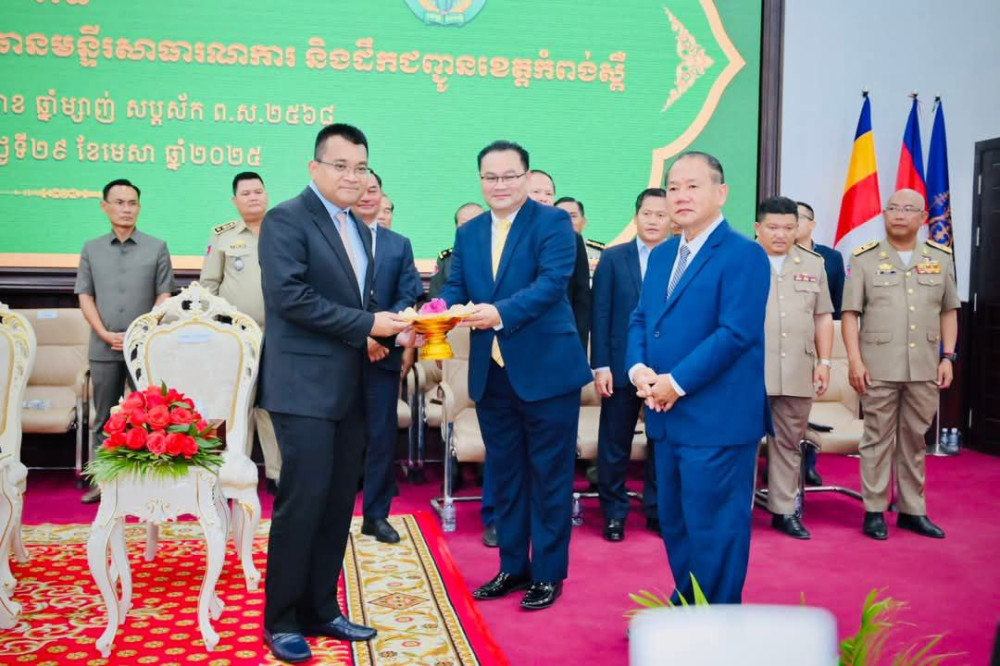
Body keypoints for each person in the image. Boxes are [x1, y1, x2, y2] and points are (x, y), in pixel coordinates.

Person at [257, 123, 414, 663]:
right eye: (341, 165)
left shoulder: (358, 228)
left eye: (361, 167)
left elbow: (358, 304)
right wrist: (369, 324)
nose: (353, 176)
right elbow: (290, 297)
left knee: (336, 504)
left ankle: (321, 608)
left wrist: (392, 330)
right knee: (302, 503)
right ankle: (280, 620)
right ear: (314, 168)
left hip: (352, 386)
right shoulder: (286, 219)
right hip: (303, 389)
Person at [439, 140, 592, 610]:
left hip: (547, 371)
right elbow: (455, 286)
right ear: (480, 180)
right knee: (505, 476)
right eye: (491, 177)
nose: (499, 184)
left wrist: (498, 313)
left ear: (525, 178)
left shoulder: (553, 223)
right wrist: (432, 313)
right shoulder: (470, 232)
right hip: (493, 374)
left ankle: (547, 573)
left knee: (549, 477)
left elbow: (551, 285)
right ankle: (512, 567)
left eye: (509, 176)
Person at [626, 151, 770, 604]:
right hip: (666, 416)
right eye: (673, 187)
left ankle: (715, 621)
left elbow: (736, 333)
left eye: (693, 186)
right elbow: (642, 318)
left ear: (720, 193)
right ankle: (689, 604)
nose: (681, 196)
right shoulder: (663, 254)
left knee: (716, 528)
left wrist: (676, 382)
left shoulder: (744, 254)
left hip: (718, 420)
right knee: (677, 522)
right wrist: (638, 369)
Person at [842, 188, 959, 541]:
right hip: (878, 365)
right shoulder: (864, 258)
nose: (899, 214)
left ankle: (912, 511)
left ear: (922, 218)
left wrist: (948, 356)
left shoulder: (940, 257)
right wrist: (854, 361)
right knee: (876, 439)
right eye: (893, 208)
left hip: (924, 365)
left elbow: (948, 310)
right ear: (884, 214)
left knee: (914, 440)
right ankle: (874, 510)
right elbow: (850, 314)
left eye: (908, 209)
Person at [75, 178, 174, 504]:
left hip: (143, 347)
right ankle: (102, 482)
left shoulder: (157, 247)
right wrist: (104, 333)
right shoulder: (91, 248)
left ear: (139, 207)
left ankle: (151, 481)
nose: (126, 209)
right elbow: (85, 296)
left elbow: (164, 295)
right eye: (119, 202)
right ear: (104, 207)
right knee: (103, 417)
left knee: (152, 415)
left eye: (132, 203)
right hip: (103, 345)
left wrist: (139, 333)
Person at [591, 187, 670, 542]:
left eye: (661, 215)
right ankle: (613, 513)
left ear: (672, 220)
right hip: (621, 367)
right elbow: (600, 313)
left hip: (666, 371)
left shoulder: (680, 257)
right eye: (647, 213)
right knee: (614, 442)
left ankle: (658, 511)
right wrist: (601, 365)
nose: (653, 221)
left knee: (661, 443)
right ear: (636, 216)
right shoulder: (613, 258)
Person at [755, 196, 834, 540]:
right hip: (750, 371)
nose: (781, 234)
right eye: (773, 227)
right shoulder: (742, 260)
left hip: (798, 369)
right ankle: (737, 509)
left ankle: (784, 511)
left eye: (788, 227)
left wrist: (825, 362)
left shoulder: (814, 264)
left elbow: (822, 316)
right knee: (742, 444)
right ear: (758, 228)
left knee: (789, 442)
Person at [199, 171, 281, 494]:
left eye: (258, 191)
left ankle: (277, 474)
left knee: (272, 404)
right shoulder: (222, 235)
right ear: (235, 201)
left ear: (267, 195)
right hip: (236, 337)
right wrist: (221, 328)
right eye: (245, 193)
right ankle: (232, 473)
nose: (253, 197)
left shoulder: (283, 230)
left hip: (278, 335)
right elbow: (208, 286)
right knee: (235, 406)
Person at [353, 171, 423, 544]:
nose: (367, 195)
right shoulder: (332, 239)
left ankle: (376, 516)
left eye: (374, 190)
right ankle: (331, 515)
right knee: (339, 436)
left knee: (381, 436)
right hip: (340, 355)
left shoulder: (399, 244)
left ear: (382, 196)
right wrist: (362, 333)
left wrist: (380, 334)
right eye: (360, 189)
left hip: (384, 356)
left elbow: (408, 294)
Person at [792, 201, 845, 487]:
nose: (793, 223)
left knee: (809, 407)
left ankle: (807, 464)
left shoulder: (830, 259)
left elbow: (836, 306)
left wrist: (829, 354)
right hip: (786, 343)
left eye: (799, 218)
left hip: (822, 343)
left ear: (812, 224)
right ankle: (780, 465)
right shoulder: (769, 255)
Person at [428, 202, 483, 299]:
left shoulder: (499, 255)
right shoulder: (446, 260)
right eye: (465, 224)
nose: (471, 228)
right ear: (456, 227)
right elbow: (435, 297)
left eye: (477, 223)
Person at [555, 196, 605, 272]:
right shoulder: (541, 250)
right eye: (561, 215)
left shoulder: (601, 253)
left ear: (583, 222)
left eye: (573, 216)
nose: (567, 220)